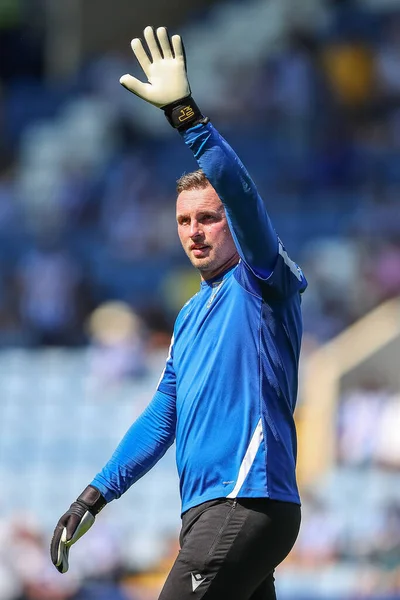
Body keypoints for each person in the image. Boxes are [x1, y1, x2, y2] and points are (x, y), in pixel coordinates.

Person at [50, 26, 308, 600]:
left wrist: (186, 116)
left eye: (208, 219)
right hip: (208, 512)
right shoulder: (191, 318)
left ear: (233, 227)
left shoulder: (261, 283)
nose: (195, 231)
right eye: (184, 221)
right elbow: (162, 416)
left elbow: (239, 192)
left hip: (245, 500)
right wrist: (94, 494)